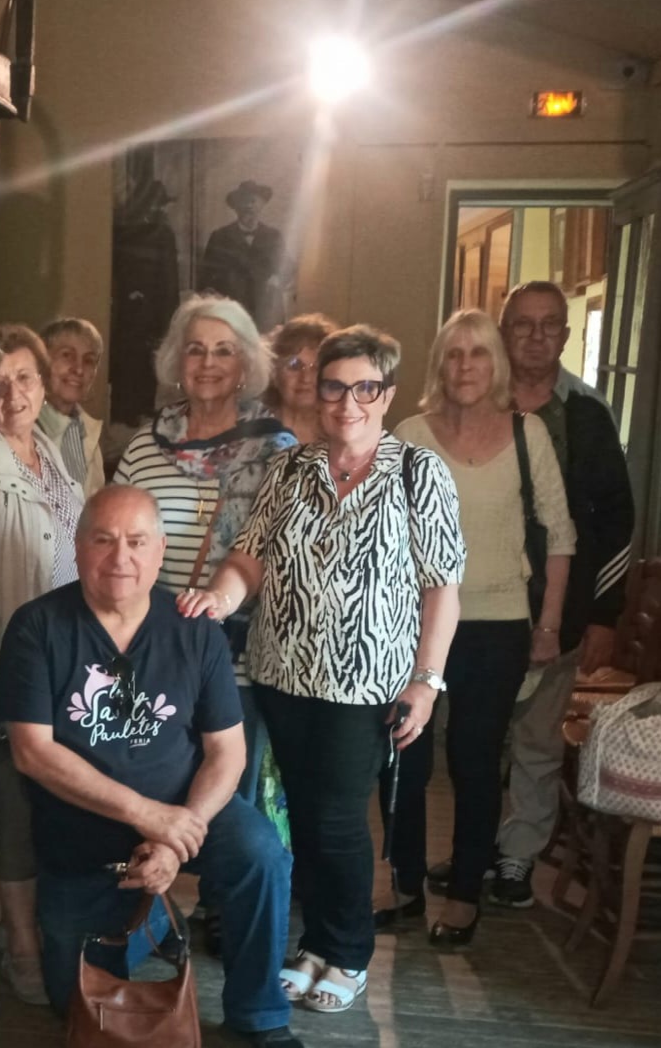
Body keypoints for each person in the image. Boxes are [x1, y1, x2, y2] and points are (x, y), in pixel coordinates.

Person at [181, 325, 465, 1015]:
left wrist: (426, 681)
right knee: (300, 817)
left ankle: (347, 952)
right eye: (334, 386)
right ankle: (314, 942)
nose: (346, 402)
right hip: (281, 673)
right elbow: (249, 556)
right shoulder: (291, 467)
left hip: (363, 685)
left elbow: (440, 586)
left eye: (364, 388)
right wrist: (221, 595)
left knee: (338, 820)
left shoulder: (416, 472)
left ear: (387, 394)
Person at [0, 485, 298, 1048]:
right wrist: (147, 817)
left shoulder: (194, 628)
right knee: (81, 1008)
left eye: (137, 542)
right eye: (104, 540)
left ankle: (259, 1012)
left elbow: (227, 751)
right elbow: (32, 751)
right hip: (82, 826)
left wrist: (175, 837)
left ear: (161, 550)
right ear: (79, 545)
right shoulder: (36, 627)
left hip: (186, 810)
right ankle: (145, 919)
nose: (121, 558)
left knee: (262, 855)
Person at [385, 310, 575, 945]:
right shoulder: (409, 433)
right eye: (454, 354)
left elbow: (560, 534)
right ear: (440, 365)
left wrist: (548, 626)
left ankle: (466, 892)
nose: (465, 366)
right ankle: (407, 885)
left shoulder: (529, 434)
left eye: (478, 354)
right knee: (404, 763)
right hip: (411, 623)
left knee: (471, 759)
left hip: (497, 624)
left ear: (496, 365)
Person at [479, 281, 634, 908]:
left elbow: (617, 519)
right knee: (477, 742)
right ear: (503, 331)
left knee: (539, 743)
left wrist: (604, 614)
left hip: (560, 612)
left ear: (566, 336)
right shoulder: (476, 403)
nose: (537, 337)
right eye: (523, 325)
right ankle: (474, 848)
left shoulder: (587, 415)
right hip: (481, 610)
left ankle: (517, 858)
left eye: (550, 326)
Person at [114, 294, 294, 809]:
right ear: (177, 362)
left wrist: (217, 600)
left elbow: (267, 552)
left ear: (245, 366)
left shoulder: (273, 448)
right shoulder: (146, 445)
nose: (209, 363)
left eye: (223, 351)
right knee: (145, 796)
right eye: (196, 350)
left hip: (232, 663)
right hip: (147, 657)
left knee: (226, 808)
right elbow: (114, 537)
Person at [0, 323, 86, 1006]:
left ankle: (51, 926)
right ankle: (18, 944)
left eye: (24, 379)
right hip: (7, 659)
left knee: (55, 804)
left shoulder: (52, 446)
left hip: (66, 662)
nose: (11, 394)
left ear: (43, 387)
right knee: (13, 806)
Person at [197, 180, 285, 328]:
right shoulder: (220, 236)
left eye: (253, 201)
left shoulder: (273, 236)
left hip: (264, 309)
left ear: (262, 205)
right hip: (231, 309)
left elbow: (286, 267)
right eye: (243, 202)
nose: (248, 206)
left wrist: (277, 278)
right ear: (236, 207)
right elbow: (206, 277)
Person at [37, 316, 108, 500]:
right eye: (67, 355)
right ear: (41, 361)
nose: (79, 369)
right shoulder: (21, 426)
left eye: (89, 360)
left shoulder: (89, 433)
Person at [263, 313, 338, 445]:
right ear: (275, 373)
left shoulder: (342, 433)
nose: (306, 378)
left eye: (316, 367)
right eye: (294, 366)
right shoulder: (254, 433)